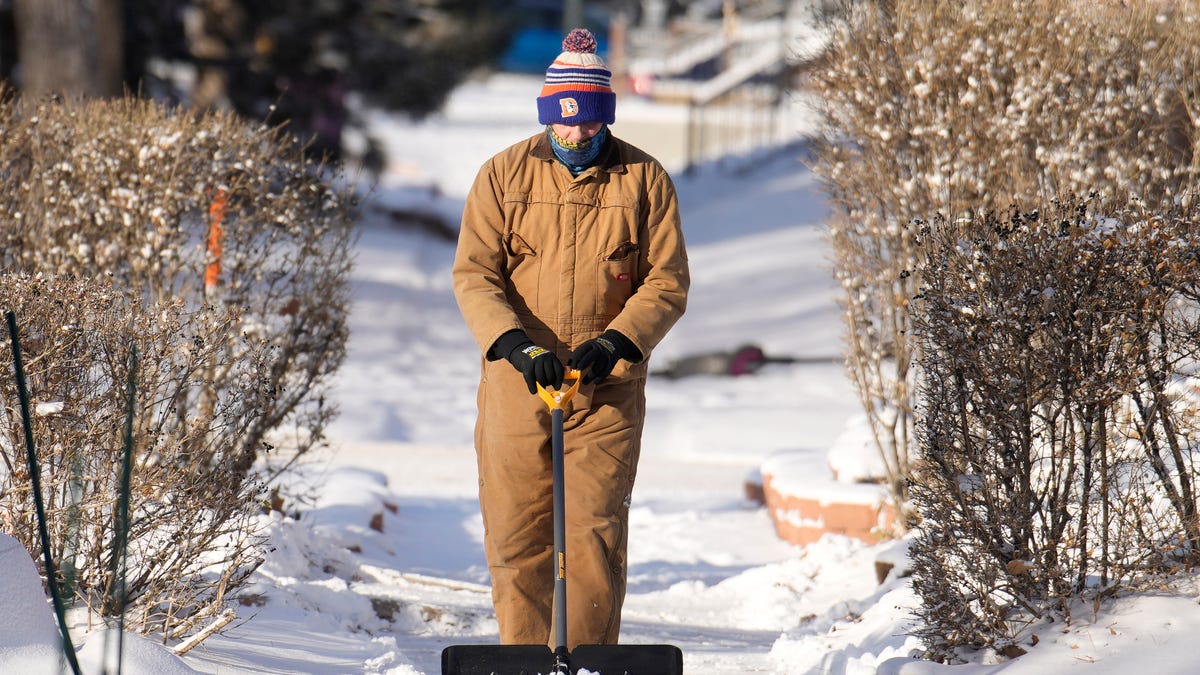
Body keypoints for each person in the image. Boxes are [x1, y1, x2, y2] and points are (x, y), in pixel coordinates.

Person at [452, 28, 689, 649]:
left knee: (591, 535)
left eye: (589, 124)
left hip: (604, 389)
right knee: (517, 532)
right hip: (518, 384)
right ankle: (526, 660)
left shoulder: (644, 180)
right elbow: (475, 276)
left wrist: (616, 343)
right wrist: (511, 344)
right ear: (546, 114)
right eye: (565, 124)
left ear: (605, 118)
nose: (577, 136)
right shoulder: (502, 177)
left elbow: (666, 282)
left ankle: (585, 664)